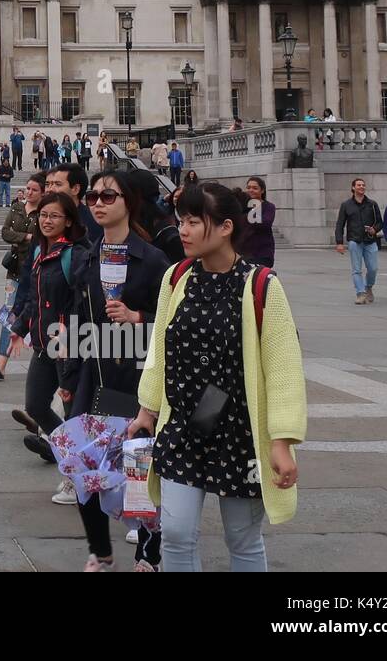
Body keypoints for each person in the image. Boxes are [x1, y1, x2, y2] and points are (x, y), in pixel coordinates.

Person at [129, 182, 307, 573]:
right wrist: (147, 408)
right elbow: (160, 345)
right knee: (175, 533)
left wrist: (281, 440)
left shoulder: (261, 285)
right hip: (182, 427)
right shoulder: (176, 278)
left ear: (225, 227)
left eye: (194, 221)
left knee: (242, 539)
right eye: (182, 221)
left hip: (239, 432)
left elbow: (283, 367)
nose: (184, 231)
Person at [63, 169, 169, 571]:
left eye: (109, 196)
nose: (99, 203)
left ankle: (149, 552)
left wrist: (137, 316)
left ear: (128, 203)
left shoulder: (154, 259)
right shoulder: (89, 256)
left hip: (137, 375)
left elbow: (172, 321)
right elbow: (76, 319)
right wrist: (68, 376)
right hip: (95, 375)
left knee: (139, 468)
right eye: (93, 197)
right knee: (80, 466)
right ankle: (100, 551)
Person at [7, 192, 88, 476]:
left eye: (54, 216)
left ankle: (77, 471)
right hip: (43, 344)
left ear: (68, 221)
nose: (47, 221)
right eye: (43, 215)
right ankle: (64, 447)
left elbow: (84, 302)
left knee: (72, 412)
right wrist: (19, 329)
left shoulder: (75, 255)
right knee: (36, 405)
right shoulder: (40, 251)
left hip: (66, 347)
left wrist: (70, 332)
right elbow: (35, 298)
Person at [0, 171, 44, 382]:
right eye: (28, 188)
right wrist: (25, 237)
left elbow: (40, 238)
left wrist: (24, 238)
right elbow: (5, 232)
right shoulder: (17, 207)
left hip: (36, 271)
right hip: (15, 271)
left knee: (39, 317)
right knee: (8, 316)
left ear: (43, 193)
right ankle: (1, 364)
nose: (29, 192)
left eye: (34, 190)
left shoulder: (44, 213)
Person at [334, 177, 382, 305]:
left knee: (373, 268)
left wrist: (374, 229)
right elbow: (340, 224)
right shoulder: (346, 205)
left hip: (370, 240)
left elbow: (379, 222)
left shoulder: (372, 204)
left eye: (363, 185)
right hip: (354, 241)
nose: (361, 187)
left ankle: (368, 287)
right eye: (359, 185)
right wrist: (339, 242)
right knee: (356, 269)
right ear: (353, 188)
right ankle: (360, 293)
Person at [47, 163, 98, 242]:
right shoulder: (44, 218)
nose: (51, 189)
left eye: (58, 184)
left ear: (75, 189)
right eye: (50, 184)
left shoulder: (94, 221)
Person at [243, 177, 276, 269]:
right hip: (245, 252)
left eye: (255, 188)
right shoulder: (242, 205)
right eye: (248, 187)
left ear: (262, 190)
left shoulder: (269, 207)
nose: (251, 190)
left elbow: (265, 223)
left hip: (263, 252)